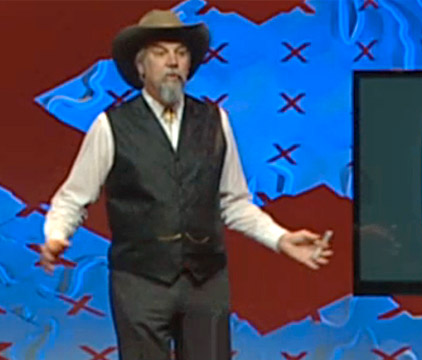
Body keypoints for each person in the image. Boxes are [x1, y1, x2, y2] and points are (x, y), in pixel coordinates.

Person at [40, 9, 332, 360]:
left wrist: (280, 239)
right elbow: (74, 198)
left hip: (205, 283)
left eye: (180, 53)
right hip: (140, 282)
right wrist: (57, 235)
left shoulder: (214, 121)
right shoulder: (111, 126)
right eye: (161, 53)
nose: (173, 62)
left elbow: (234, 202)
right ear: (141, 66)